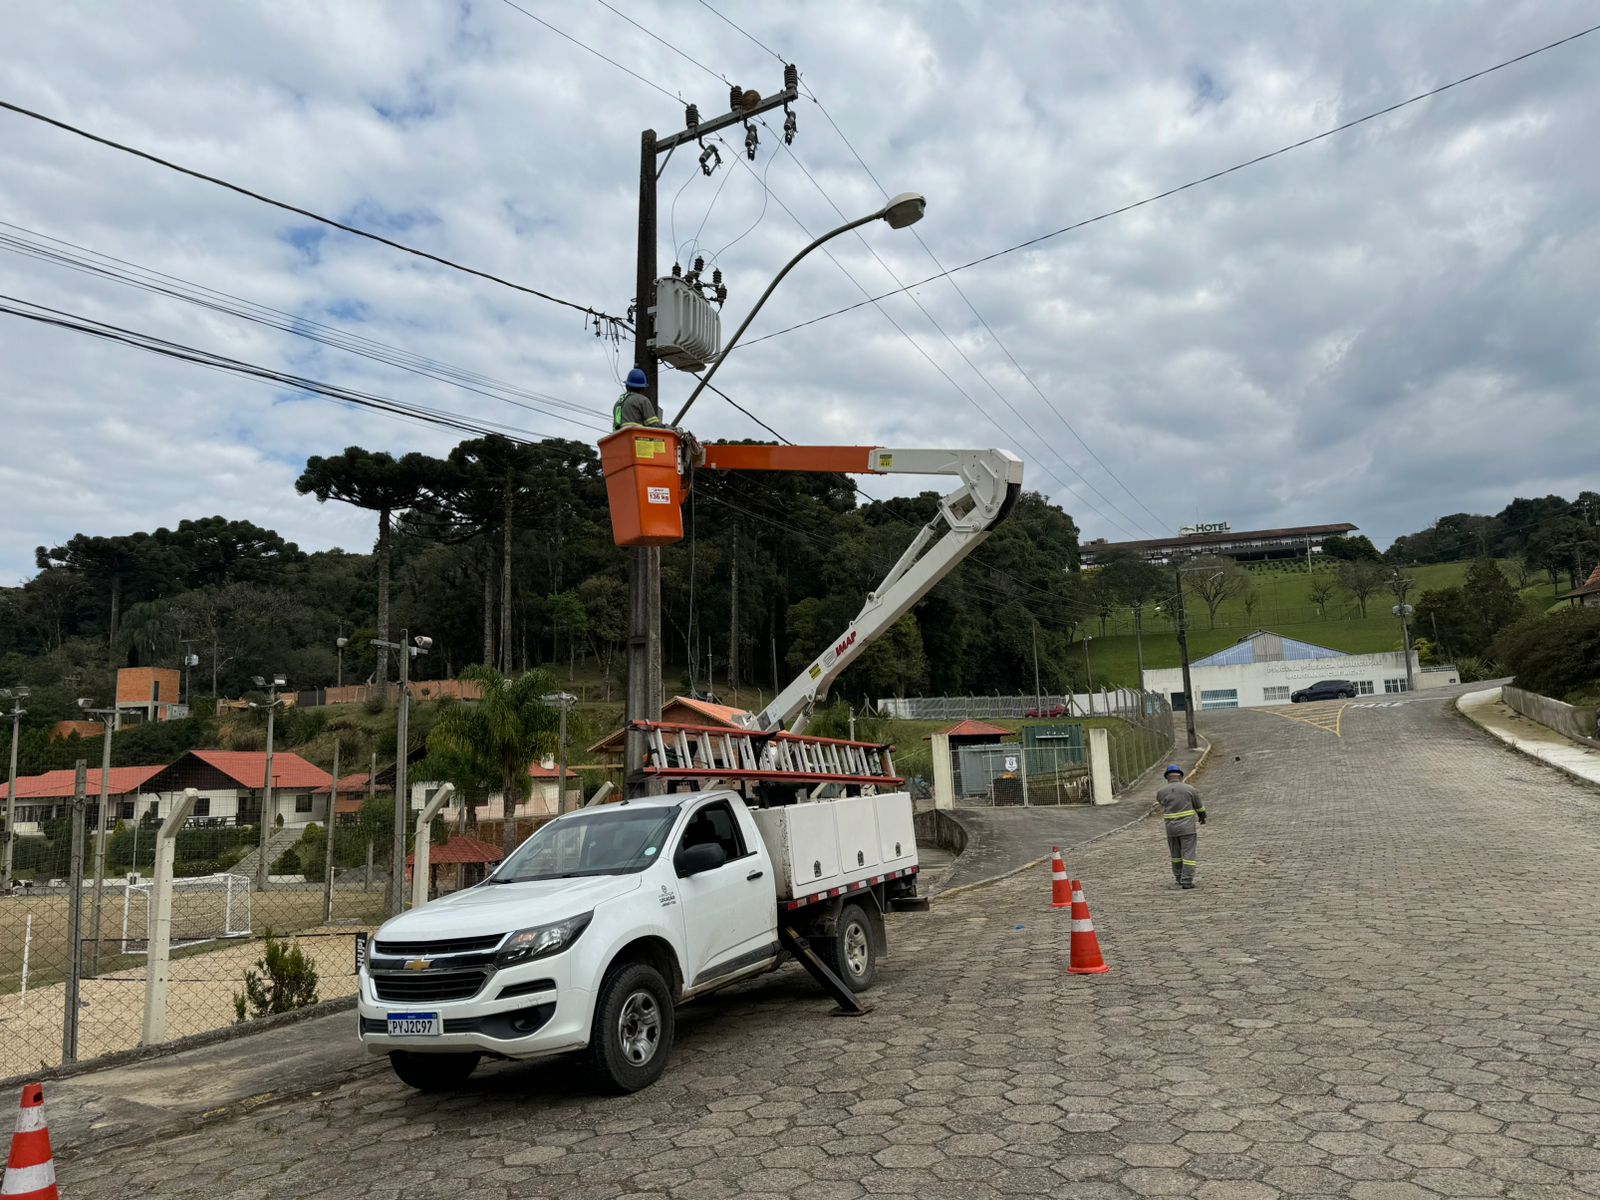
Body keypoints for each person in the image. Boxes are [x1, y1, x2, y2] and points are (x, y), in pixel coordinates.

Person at [1156, 764, 1206, 889]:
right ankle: (1187, 880)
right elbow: (1199, 806)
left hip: (1171, 829)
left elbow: (1161, 803)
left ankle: (1178, 878)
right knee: (1188, 854)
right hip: (1187, 828)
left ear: (1167, 777)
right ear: (1181, 776)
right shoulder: (1190, 789)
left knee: (1176, 855)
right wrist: (1202, 816)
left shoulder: (1161, 792)